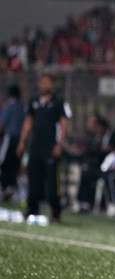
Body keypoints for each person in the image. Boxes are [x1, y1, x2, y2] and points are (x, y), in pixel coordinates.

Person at [17, 74, 71, 223]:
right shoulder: (34, 101)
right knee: (33, 179)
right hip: (35, 146)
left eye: (46, 83)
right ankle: (31, 210)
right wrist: (22, 141)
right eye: (41, 82)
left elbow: (64, 125)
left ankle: (55, 213)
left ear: (52, 85)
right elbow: (28, 122)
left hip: (51, 147)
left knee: (53, 183)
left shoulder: (59, 103)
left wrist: (60, 144)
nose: (43, 85)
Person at [0, 85, 25, 201]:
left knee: (3, 162)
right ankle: (11, 187)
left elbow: (2, 123)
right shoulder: (22, 107)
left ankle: (5, 187)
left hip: (9, 138)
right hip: (21, 140)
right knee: (14, 164)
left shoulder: (10, 106)